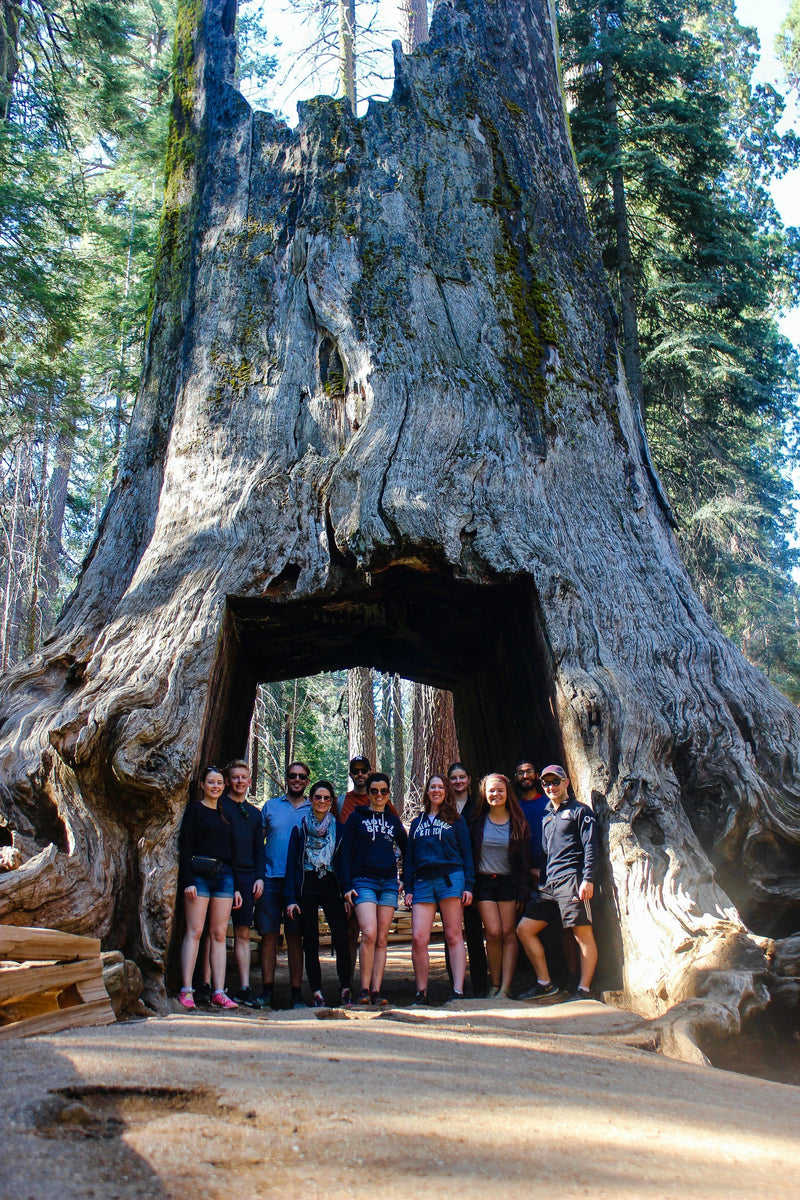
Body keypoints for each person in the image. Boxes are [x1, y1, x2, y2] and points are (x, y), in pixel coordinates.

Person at [516, 765, 599, 1001]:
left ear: (566, 783)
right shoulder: (546, 816)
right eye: (546, 783)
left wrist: (588, 879)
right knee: (524, 930)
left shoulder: (580, 811)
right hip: (548, 885)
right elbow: (545, 853)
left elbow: (591, 847)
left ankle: (584, 989)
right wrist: (541, 880)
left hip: (572, 881)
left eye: (555, 782)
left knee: (581, 933)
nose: (551, 787)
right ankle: (545, 983)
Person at [197, 759, 265, 1007]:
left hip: (247, 876)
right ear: (227, 781)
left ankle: (244, 987)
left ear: (249, 781)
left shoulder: (254, 814)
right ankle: (207, 984)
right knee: (213, 931)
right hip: (221, 872)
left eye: (243, 777)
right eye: (235, 777)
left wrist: (260, 877)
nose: (239, 781)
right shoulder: (219, 806)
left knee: (243, 931)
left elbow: (259, 848)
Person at [404, 774, 474, 1003]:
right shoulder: (418, 823)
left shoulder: (456, 820)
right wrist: (408, 887)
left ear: (446, 792)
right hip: (423, 882)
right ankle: (421, 992)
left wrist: (469, 885)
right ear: (427, 792)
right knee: (419, 938)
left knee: (453, 934)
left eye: (440, 787)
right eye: (432, 787)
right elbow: (410, 858)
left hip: (450, 879)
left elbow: (467, 854)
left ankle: (458, 991)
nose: (436, 790)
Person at [177, 766, 243, 1010]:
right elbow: (185, 847)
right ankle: (186, 990)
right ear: (202, 785)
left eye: (219, 783)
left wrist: (236, 887)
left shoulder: (227, 816)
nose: (215, 786)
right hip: (199, 876)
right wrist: (188, 881)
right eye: (211, 782)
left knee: (218, 934)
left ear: (224, 786)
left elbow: (233, 854)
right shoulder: (194, 811)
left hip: (224, 877)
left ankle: (219, 991)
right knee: (195, 931)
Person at [341, 772, 407, 1006]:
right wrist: (346, 886)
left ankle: (377, 991)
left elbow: (408, 849)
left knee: (381, 938)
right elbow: (344, 853)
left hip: (388, 883)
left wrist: (404, 878)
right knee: (368, 933)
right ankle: (364, 989)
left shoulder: (393, 821)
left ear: (388, 793)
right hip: (363, 881)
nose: (379, 795)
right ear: (368, 793)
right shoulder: (355, 818)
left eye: (384, 791)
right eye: (374, 791)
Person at [285, 780, 352, 1008]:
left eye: (326, 798)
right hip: (308, 884)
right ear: (311, 800)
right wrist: (291, 898)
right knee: (311, 940)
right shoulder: (300, 829)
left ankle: (345, 989)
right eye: (317, 797)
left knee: (341, 937)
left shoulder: (339, 830)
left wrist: (346, 892)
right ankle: (316, 992)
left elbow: (344, 863)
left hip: (332, 884)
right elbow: (291, 866)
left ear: (331, 802)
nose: (322, 801)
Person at [256, 762, 311, 1009]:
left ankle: (296, 993)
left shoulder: (313, 808)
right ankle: (267, 991)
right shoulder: (271, 806)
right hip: (270, 877)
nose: (296, 780)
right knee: (268, 934)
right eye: (292, 776)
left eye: (301, 776)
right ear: (286, 779)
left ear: (307, 781)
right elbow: (258, 842)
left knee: (295, 936)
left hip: (298, 882)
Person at [470, 773, 530, 999]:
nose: (496, 794)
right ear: (484, 794)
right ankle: (494, 984)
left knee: (508, 933)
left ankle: (506, 987)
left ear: (507, 793)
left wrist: (522, 892)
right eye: (491, 791)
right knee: (493, 933)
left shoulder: (518, 822)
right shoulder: (477, 822)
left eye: (500, 791)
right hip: (484, 882)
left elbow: (523, 861)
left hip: (508, 883)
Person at [447, 761, 488, 996]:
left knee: (474, 930)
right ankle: (454, 985)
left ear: (469, 780)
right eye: (454, 778)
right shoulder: (444, 807)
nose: (458, 781)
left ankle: (480, 985)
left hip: (475, 874)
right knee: (452, 932)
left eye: (462, 777)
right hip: (450, 877)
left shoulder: (479, 806)